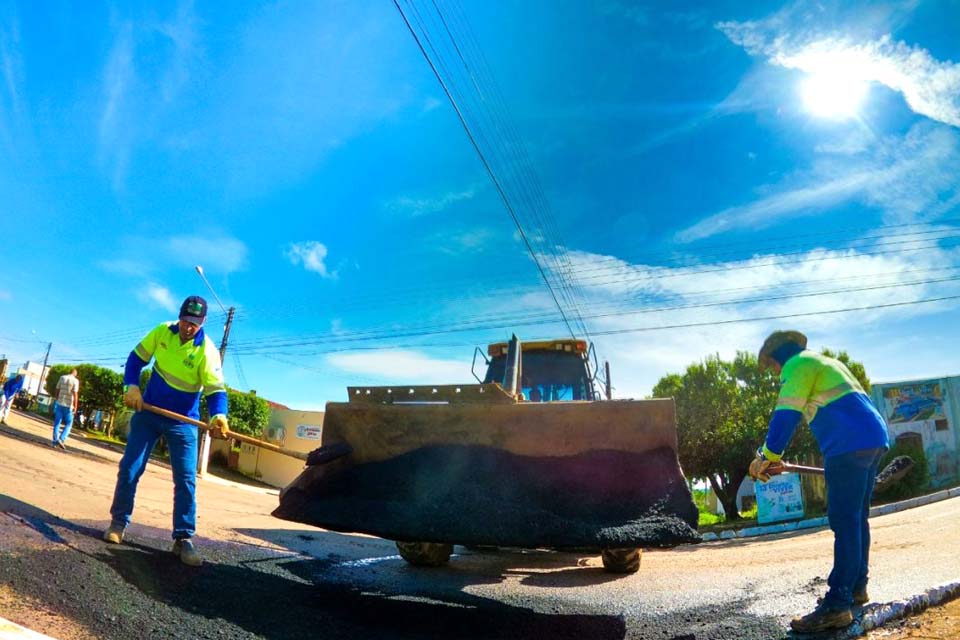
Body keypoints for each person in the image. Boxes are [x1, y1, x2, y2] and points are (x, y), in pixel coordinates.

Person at [749, 330, 889, 633]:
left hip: (848, 445)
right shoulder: (826, 363)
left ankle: (837, 605)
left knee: (844, 521)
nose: (776, 374)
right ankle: (856, 588)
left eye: (773, 367)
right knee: (856, 519)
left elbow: (786, 415)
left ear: (777, 358)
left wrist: (766, 455)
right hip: (873, 438)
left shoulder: (796, 365)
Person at [103, 295, 230, 567]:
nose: (188, 328)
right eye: (185, 321)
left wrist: (219, 416)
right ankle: (118, 523)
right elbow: (136, 360)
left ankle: (183, 539)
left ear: (203, 322)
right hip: (149, 412)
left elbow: (215, 390)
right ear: (180, 316)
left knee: (185, 479)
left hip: (184, 421)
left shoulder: (207, 350)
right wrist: (132, 388)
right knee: (130, 468)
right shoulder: (162, 331)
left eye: (194, 324)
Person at [51, 369, 80, 449]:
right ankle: (61, 438)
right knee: (69, 424)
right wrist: (76, 406)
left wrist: (56, 398)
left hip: (59, 403)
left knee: (57, 423)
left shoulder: (62, 377)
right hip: (68, 406)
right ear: (75, 374)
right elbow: (75, 394)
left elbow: (57, 389)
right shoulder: (75, 381)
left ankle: (55, 442)